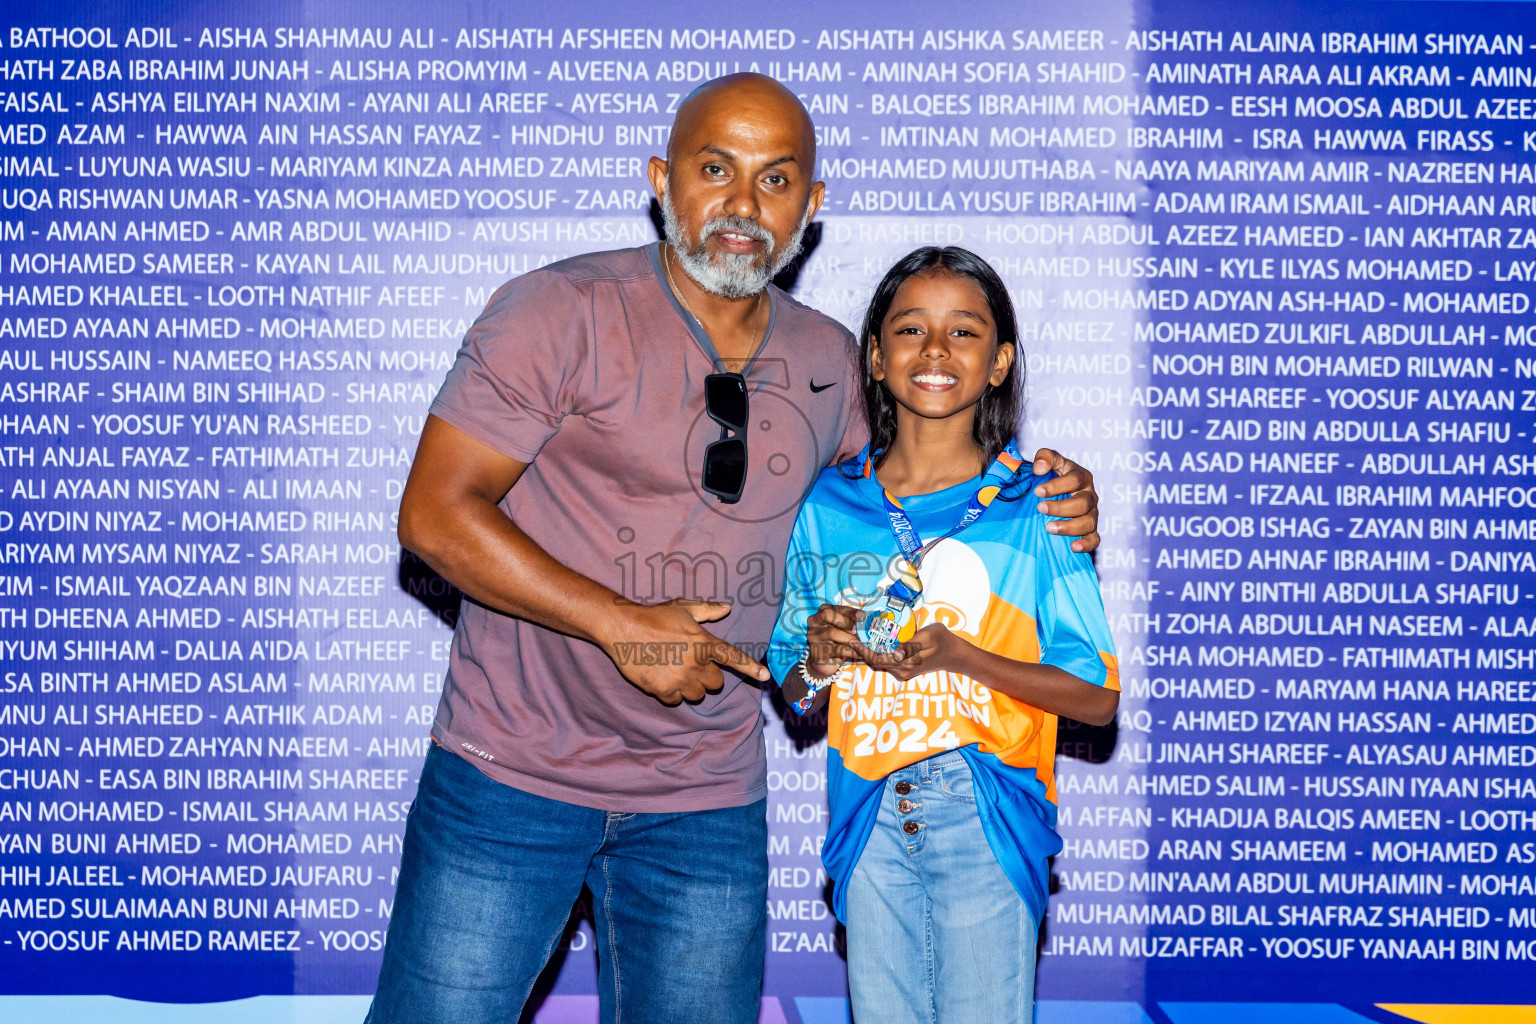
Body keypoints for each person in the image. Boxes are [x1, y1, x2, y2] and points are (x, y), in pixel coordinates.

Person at [369, 75, 1103, 1024]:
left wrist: (1050, 495)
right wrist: (619, 624)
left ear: (812, 206)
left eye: (775, 179)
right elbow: (432, 515)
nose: (742, 208)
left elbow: (914, 491)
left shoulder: (837, 361)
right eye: (716, 171)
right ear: (662, 180)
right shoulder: (556, 311)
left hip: (707, 804)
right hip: (509, 778)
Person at [769, 246, 1120, 1024]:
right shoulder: (828, 503)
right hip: (864, 820)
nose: (934, 351)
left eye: (963, 333)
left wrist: (965, 657)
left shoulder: (1040, 507)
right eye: (910, 330)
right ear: (874, 355)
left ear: (998, 363)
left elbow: (1096, 699)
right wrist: (819, 655)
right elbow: (794, 691)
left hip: (986, 809)